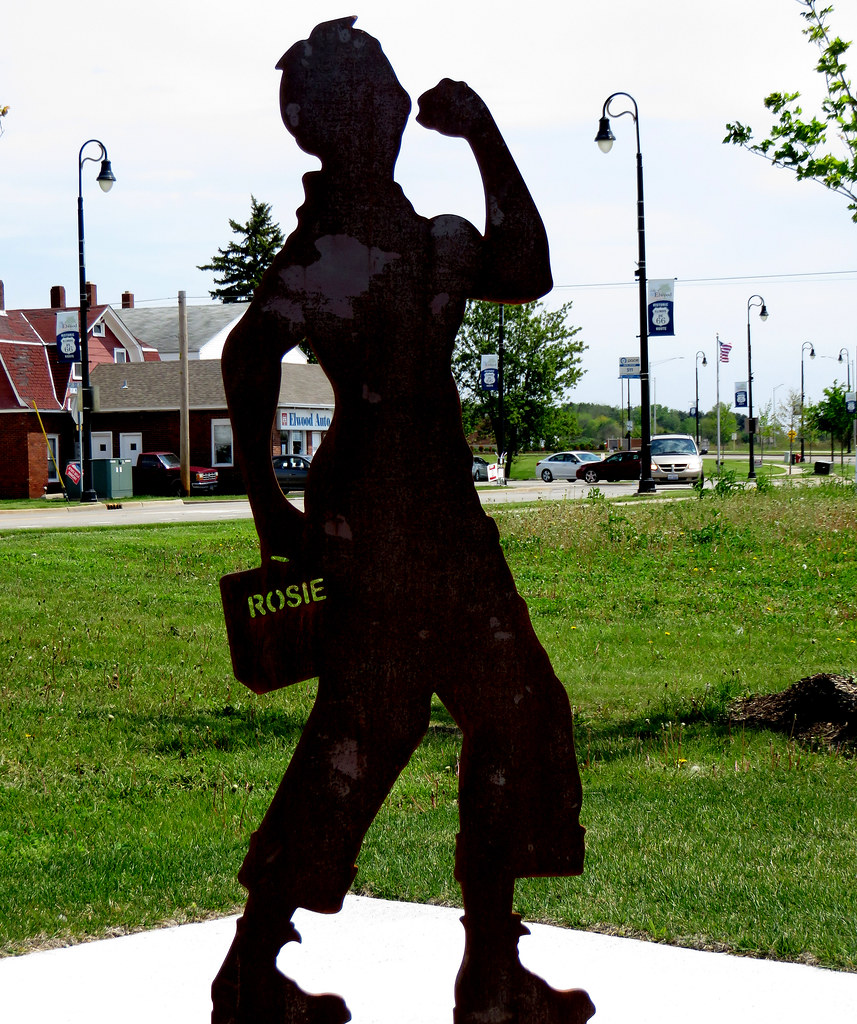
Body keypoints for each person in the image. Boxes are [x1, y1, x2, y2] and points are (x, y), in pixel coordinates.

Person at [213, 18, 593, 1024]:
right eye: (372, 93)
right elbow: (249, 359)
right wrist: (267, 507)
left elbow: (526, 265)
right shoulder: (330, 247)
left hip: (442, 518)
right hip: (373, 525)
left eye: (385, 92)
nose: (389, 106)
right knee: (364, 731)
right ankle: (256, 969)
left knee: (508, 715)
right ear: (348, 116)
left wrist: (483, 134)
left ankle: (487, 969)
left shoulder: (422, 236)